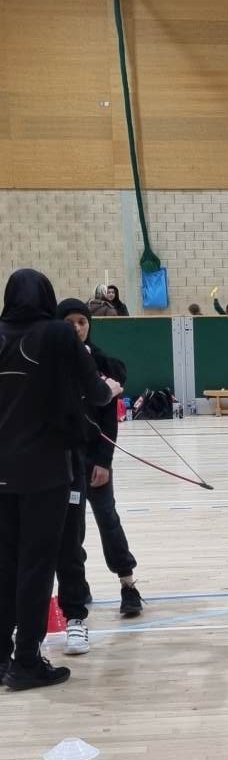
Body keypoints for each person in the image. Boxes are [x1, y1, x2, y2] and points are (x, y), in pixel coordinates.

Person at [0, 270, 122, 691]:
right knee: (36, 565)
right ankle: (26, 661)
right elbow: (95, 391)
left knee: (4, 564)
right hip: (45, 470)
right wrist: (109, 389)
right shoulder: (57, 334)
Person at [54, 298, 144, 654]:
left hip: (95, 460)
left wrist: (104, 461)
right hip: (65, 461)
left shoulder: (103, 363)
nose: (77, 328)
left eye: (82, 321)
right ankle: (77, 589)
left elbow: (108, 418)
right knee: (70, 529)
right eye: (69, 322)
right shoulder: (52, 365)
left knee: (108, 519)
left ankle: (128, 584)